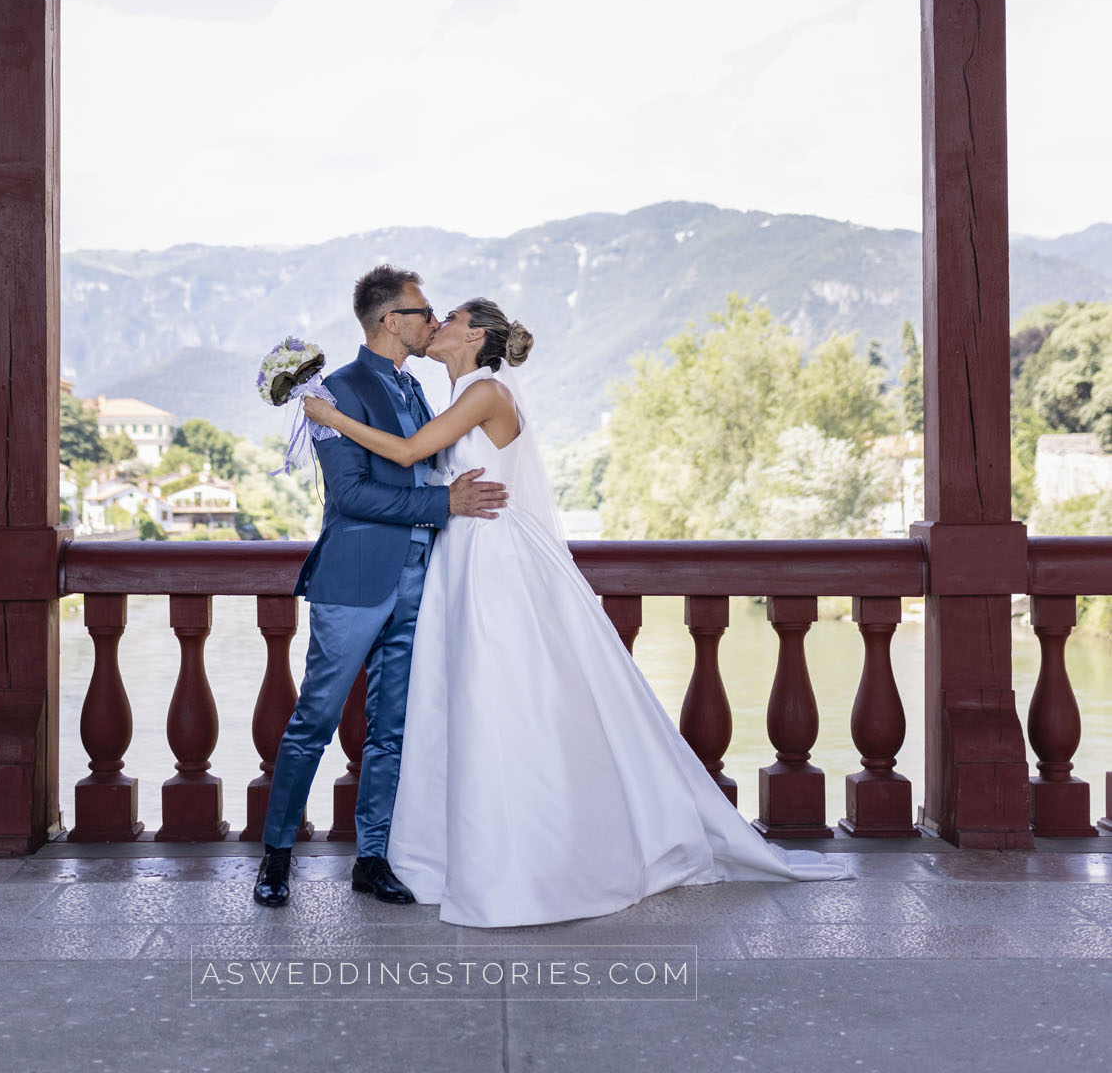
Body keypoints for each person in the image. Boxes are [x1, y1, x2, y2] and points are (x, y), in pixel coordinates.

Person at [301, 297, 852, 927]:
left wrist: (328, 415)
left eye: (448, 318)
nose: (437, 325)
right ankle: (462, 852)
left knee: (502, 697)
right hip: (465, 556)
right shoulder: (462, 396)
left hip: (496, 563)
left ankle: (529, 858)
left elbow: (403, 454)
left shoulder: (486, 392)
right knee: (464, 700)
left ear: (475, 334)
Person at [252, 264, 510, 909]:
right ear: (390, 320)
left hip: (422, 580)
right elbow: (354, 494)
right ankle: (275, 858)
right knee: (313, 720)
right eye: (425, 313)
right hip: (354, 580)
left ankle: (373, 858)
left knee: (392, 726)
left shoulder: (418, 391)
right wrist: (441, 503)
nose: (433, 321)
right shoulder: (334, 395)